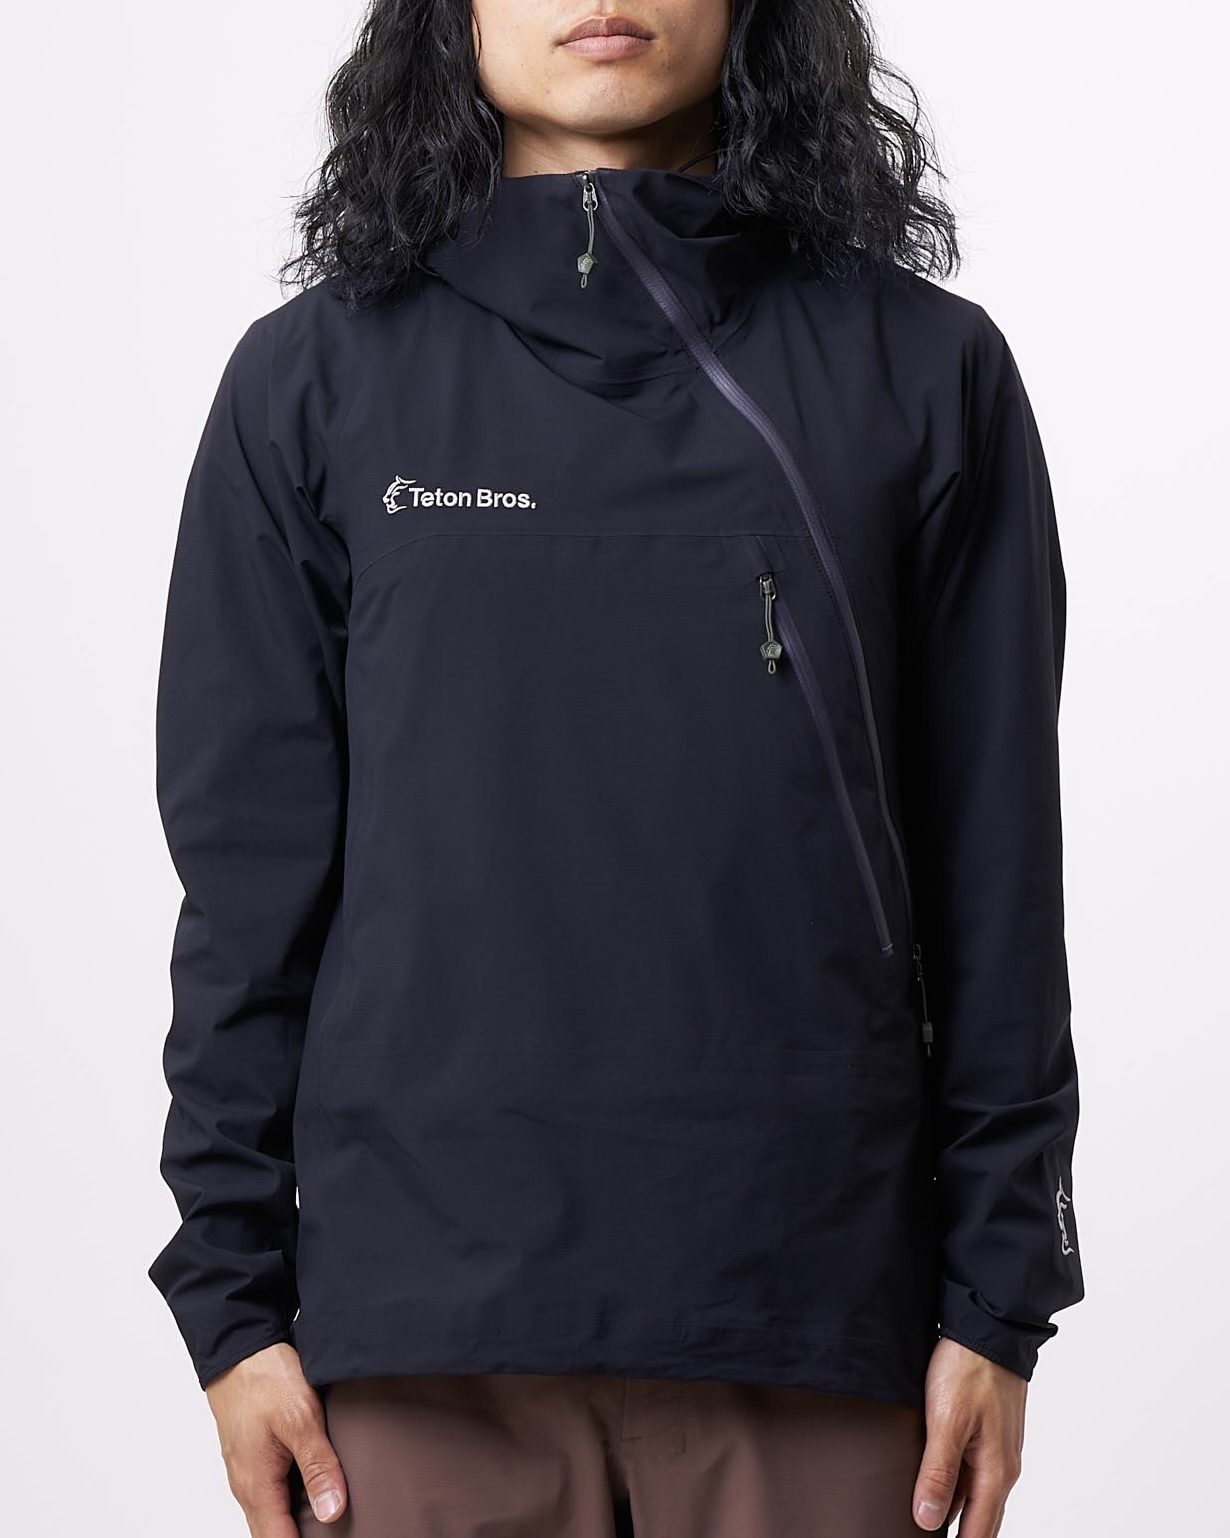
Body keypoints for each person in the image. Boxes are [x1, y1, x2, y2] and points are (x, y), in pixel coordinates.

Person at [146, 1, 1086, 1534]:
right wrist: (229, 1302)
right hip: (415, 1332)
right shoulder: (311, 381)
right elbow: (245, 885)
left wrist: (1000, 1292)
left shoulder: (924, 369)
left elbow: (997, 868)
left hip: (815, 1309)